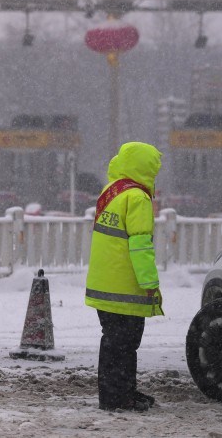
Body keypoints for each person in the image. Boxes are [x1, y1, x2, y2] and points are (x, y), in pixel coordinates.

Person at [85, 141, 164, 412]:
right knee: (125, 344)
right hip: (125, 286)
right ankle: (118, 398)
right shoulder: (138, 198)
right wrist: (150, 284)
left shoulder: (112, 191)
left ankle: (119, 392)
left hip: (103, 282)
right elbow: (140, 245)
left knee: (113, 343)